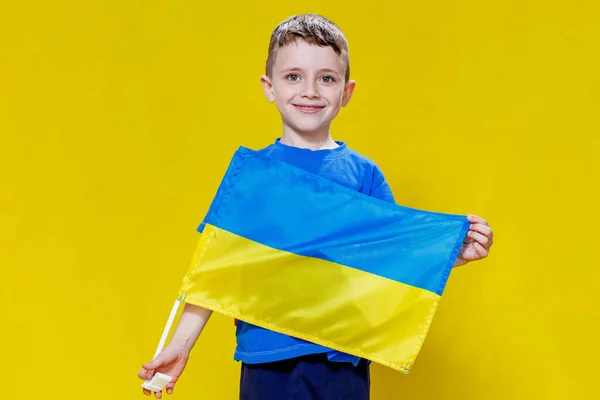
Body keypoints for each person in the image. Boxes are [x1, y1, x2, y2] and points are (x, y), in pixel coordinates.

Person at [138, 13, 494, 400]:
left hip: (340, 356)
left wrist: (448, 254)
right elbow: (217, 270)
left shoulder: (364, 174)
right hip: (266, 358)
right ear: (269, 86)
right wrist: (180, 344)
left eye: (326, 78)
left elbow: (391, 253)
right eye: (293, 76)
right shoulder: (256, 176)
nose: (310, 90)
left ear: (346, 91)